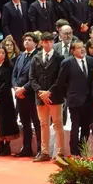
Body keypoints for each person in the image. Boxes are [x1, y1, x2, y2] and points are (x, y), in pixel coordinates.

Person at [30, 32, 65, 161]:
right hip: (40, 97)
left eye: (50, 41)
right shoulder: (36, 57)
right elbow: (32, 77)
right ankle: (44, 152)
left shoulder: (59, 58)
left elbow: (60, 78)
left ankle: (60, 152)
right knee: (43, 124)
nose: (48, 44)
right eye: (45, 41)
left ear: (53, 43)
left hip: (55, 96)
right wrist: (40, 92)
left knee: (57, 123)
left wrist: (49, 92)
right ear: (41, 43)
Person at [58, 41, 93, 156]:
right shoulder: (67, 63)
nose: (82, 49)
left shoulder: (92, 61)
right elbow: (61, 82)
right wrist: (69, 95)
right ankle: (74, 153)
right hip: (74, 100)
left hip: (89, 101)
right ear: (72, 51)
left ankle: (82, 151)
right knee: (75, 127)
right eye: (78, 48)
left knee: (86, 127)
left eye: (83, 47)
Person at [12, 33, 41, 158]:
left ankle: (40, 149)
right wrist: (15, 87)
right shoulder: (20, 56)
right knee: (25, 123)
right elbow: (14, 74)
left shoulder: (38, 56)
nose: (27, 42)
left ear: (35, 43)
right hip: (19, 95)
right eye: (25, 40)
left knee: (37, 123)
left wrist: (23, 89)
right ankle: (27, 148)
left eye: (30, 40)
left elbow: (36, 77)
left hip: (31, 95)